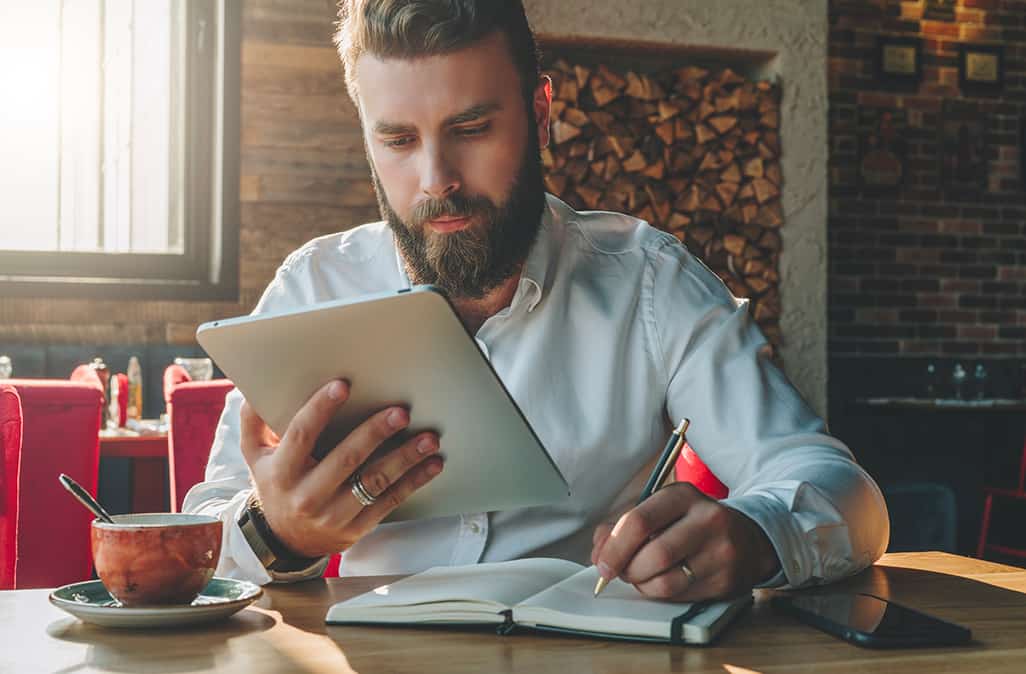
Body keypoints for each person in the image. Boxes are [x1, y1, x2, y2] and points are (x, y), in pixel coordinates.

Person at [183, 0, 888, 602]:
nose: (436, 180)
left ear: (541, 113)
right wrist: (275, 532)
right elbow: (199, 535)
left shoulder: (649, 282)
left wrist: (759, 536)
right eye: (397, 139)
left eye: (471, 130)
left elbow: (842, 492)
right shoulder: (313, 288)